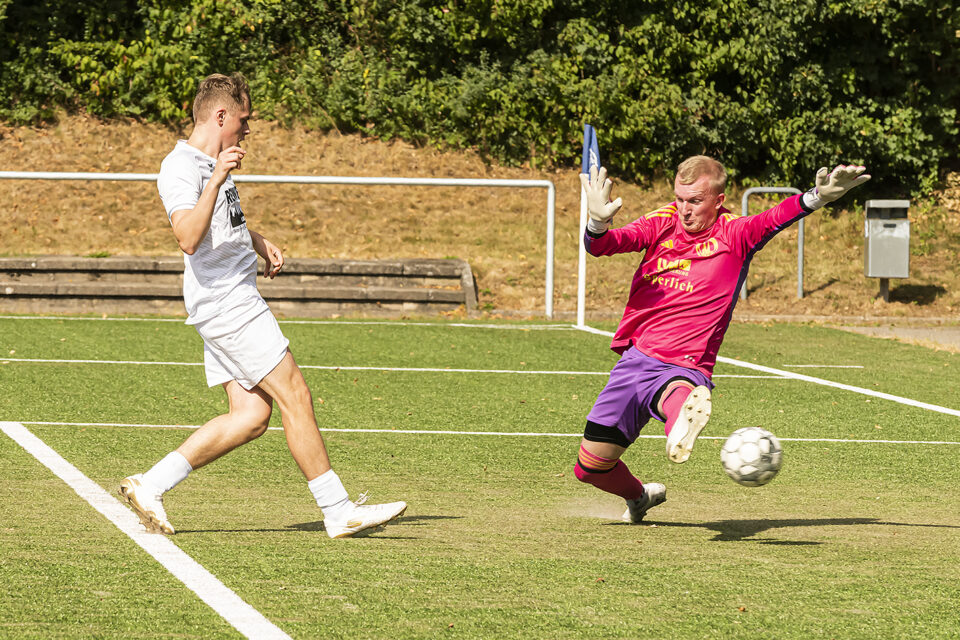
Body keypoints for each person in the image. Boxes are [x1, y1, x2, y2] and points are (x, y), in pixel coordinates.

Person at [119, 72, 407, 538]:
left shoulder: (213, 162)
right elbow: (187, 237)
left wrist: (255, 239)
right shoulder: (181, 167)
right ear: (220, 116)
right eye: (243, 119)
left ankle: (149, 485)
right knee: (296, 394)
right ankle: (337, 510)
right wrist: (217, 177)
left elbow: (217, 223)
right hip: (228, 305)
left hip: (231, 298)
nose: (248, 129)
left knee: (250, 417)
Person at [575, 156, 869, 523]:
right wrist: (598, 222)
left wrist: (818, 197)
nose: (684, 209)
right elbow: (603, 245)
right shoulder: (662, 222)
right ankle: (639, 497)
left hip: (684, 364)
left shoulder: (735, 234)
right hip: (635, 359)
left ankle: (680, 423)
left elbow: (775, 217)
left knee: (676, 394)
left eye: (695, 201)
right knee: (590, 467)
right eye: (680, 198)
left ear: (718, 200)